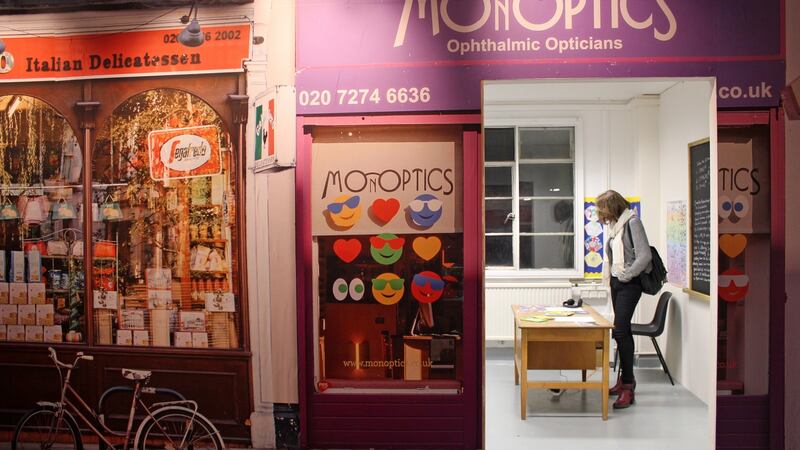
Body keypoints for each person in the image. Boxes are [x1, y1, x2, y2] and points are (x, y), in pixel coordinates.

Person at [596, 190, 652, 409]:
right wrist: (615, 278)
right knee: (622, 331)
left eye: (601, 208)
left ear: (612, 206)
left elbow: (644, 255)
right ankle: (625, 380)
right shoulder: (614, 226)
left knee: (619, 331)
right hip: (617, 282)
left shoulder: (633, 223)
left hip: (630, 283)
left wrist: (627, 275)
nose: (599, 213)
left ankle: (628, 385)